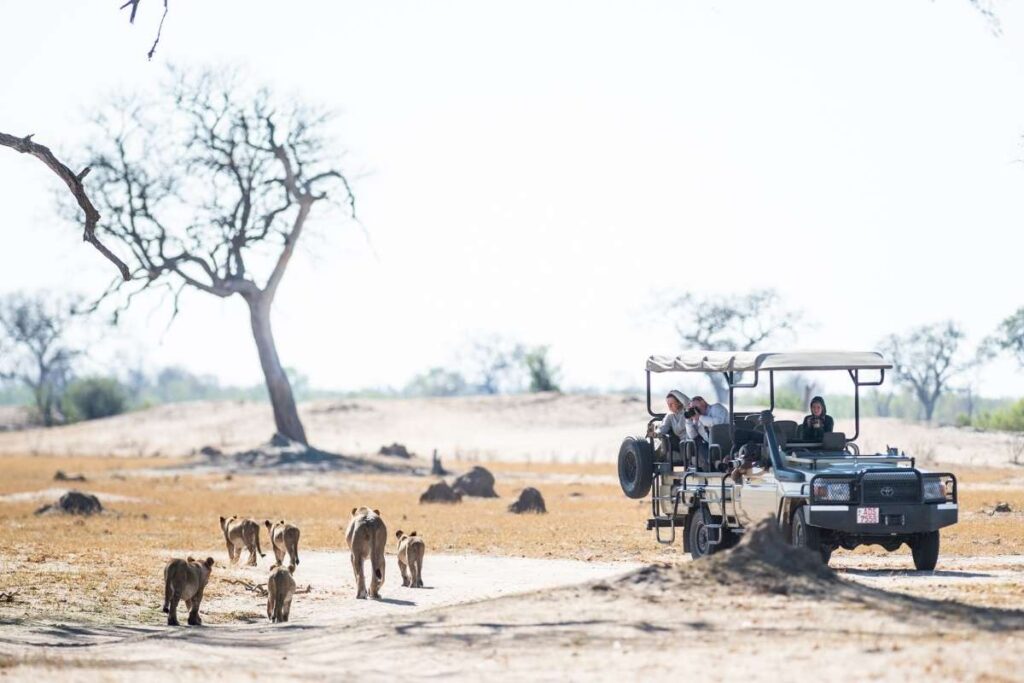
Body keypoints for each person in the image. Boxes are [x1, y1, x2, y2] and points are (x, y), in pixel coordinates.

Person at [685, 396, 729, 469]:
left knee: (705, 455)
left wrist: (700, 417)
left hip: (724, 442)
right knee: (696, 441)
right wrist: (688, 420)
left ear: (703, 402)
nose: (695, 409)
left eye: (696, 406)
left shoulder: (716, 408)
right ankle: (715, 464)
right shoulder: (697, 418)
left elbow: (718, 424)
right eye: (692, 408)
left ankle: (712, 464)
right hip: (708, 446)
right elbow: (692, 436)